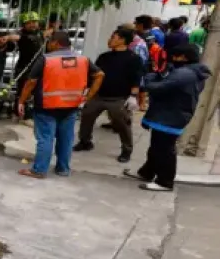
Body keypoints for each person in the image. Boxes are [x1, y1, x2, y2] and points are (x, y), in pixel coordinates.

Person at [16, 31, 104, 178]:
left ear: (56, 43)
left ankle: (39, 170)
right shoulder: (83, 59)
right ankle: (63, 169)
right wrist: (88, 97)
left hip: (46, 106)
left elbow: (31, 82)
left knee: (45, 138)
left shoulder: (46, 59)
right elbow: (100, 75)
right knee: (66, 139)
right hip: (71, 106)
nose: (48, 45)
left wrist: (21, 101)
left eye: (50, 42)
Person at [124, 43, 211, 191]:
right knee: (156, 148)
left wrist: (150, 77)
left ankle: (165, 181)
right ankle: (147, 172)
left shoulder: (184, 74)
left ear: (184, 57)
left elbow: (158, 88)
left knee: (164, 150)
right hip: (170, 114)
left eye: (175, 56)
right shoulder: (190, 72)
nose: (172, 59)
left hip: (171, 116)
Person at [73, 27, 144, 162]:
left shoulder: (134, 59)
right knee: (87, 116)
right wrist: (88, 90)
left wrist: (133, 97)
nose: (110, 40)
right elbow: (94, 75)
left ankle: (126, 150)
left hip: (118, 98)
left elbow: (136, 79)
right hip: (98, 96)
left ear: (122, 40)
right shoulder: (104, 57)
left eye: (113, 37)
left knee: (123, 124)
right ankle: (85, 142)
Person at [3, 12, 44, 121]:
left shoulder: (40, 34)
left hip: (39, 68)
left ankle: (33, 115)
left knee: (37, 93)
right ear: (24, 24)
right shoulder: (23, 35)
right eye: (29, 23)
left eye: (34, 22)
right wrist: (8, 37)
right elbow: (17, 37)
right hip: (24, 68)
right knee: (23, 92)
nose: (32, 25)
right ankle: (21, 115)